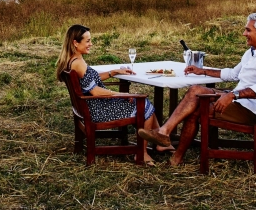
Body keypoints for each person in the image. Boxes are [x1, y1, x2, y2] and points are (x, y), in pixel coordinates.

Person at [137, 13, 256, 166]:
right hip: (239, 101)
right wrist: (202, 71)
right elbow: (233, 74)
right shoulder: (252, 52)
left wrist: (232, 95)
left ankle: (175, 155)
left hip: (249, 110)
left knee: (195, 109)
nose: (244, 34)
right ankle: (164, 132)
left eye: (248, 30)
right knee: (195, 90)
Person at [56, 24, 173, 165]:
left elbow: (91, 79)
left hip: (91, 107)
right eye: (87, 41)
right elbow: (95, 91)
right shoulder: (78, 63)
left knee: (142, 104)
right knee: (144, 105)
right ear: (75, 42)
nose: (90, 44)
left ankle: (160, 140)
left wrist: (115, 72)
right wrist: (122, 94)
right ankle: (142, 153)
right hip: (98, 111)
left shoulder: (72, 60)